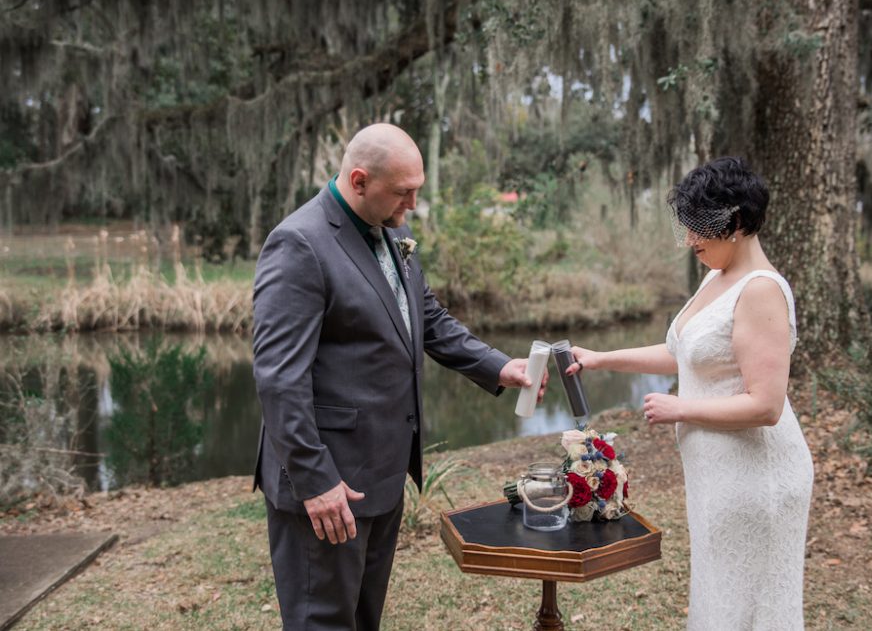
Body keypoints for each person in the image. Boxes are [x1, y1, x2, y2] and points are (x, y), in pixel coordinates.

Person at [252, 123, 541, 631]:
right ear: (359, 180)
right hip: (328, 485)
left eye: (416, 191)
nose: (411, 204)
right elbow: (279, 378)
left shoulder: (393, 234)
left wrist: (500, 366)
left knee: (363, 620)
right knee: (322, 622)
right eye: (402, 192)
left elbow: (426, 318)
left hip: (380, 474)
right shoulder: (300, 243)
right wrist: (316, 481)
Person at [568, 157, 814, 630]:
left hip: (756, 479)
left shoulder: (762, 291)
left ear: (737, 222)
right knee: (719, 596)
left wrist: (684, 408)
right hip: (718, 474)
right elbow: (681, 352)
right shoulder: (717, 277)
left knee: (748, 606)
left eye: (699, 227)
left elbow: (766, 405)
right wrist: (601, 358)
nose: (690, 241)